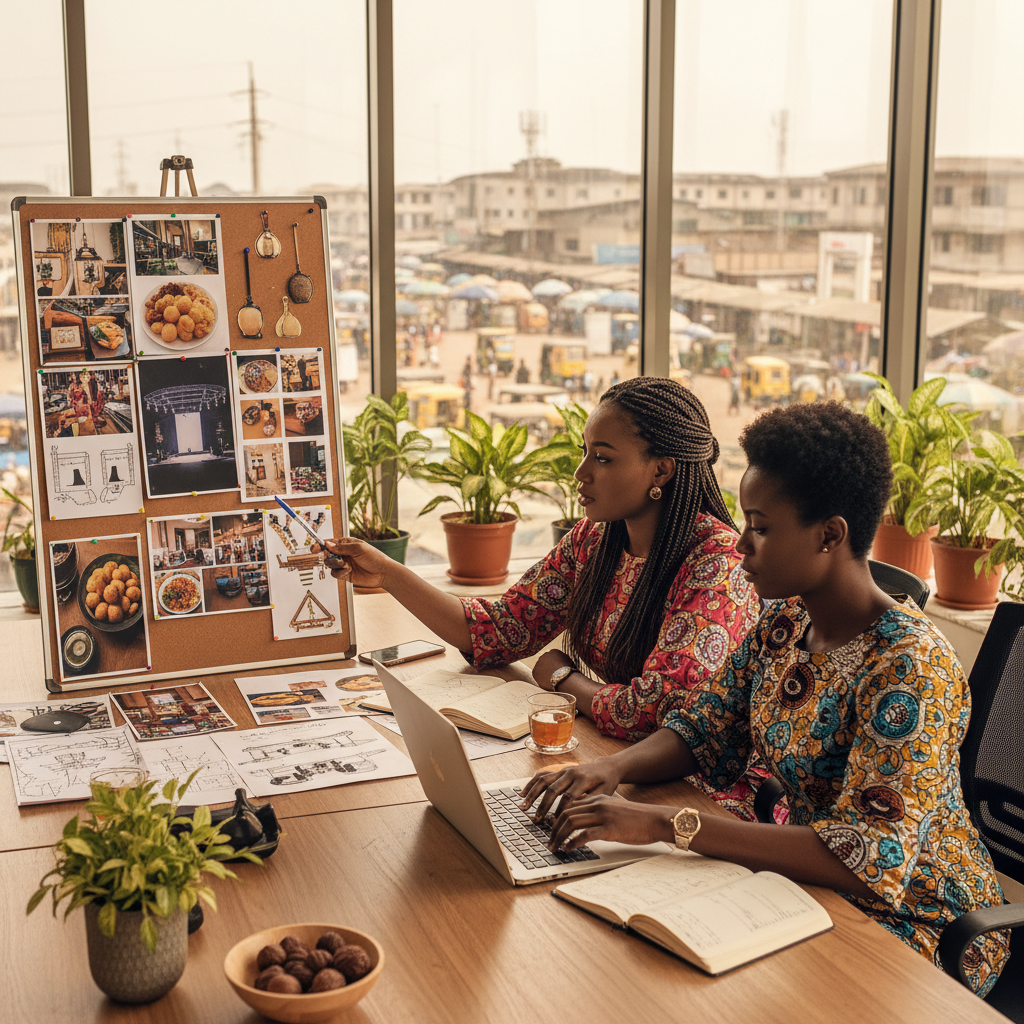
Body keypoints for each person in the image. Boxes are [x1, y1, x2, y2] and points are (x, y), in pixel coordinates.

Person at [519, 401, 1009, 995]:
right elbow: (703, 726)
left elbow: (871, 857)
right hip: (798, 884)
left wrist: (665, 824)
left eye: (761, 526)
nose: (742, 545)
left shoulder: (910, 668)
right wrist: (609, 770)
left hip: (916, 920)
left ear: (830, 535)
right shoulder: (783, 623)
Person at [322, 378, 765, 817]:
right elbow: (495, 631)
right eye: (585, 452)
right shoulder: (595, 539)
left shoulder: (717, 564)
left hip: (698, 800)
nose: (581, 473)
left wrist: (562, 680)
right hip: (609, 762)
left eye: (603, 458)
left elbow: (652, 712)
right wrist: (388, 574)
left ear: (661, 471)